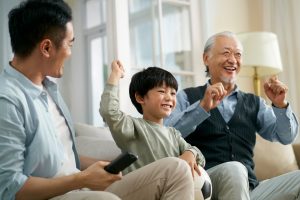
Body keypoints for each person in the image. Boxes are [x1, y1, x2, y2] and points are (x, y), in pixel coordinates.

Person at [0, 0, 195, 200]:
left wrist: (101, 168)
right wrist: (82, 179)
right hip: (52, 194)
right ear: (47, 48)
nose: (70, 52)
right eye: (70, 43)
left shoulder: (50, 90)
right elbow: (10, 188)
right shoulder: (7, 101)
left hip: (79, 187)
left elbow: (64, 159)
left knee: (176, 168)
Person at [164, 31, 300, 200]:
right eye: (226, 53)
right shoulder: (186, 97)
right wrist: (202, 107)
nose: (233, 60)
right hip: (208, 185)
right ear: (206, 58)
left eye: (238, 54)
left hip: (251, 189)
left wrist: (280, 105)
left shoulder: (254, 102)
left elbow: (286, 137)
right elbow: (167, 136)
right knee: (235, 169)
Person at [99, 61, 207, 198]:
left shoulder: (173, 133)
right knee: (176, 166)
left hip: (170, 190)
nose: (169, 97)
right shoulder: (132, 126)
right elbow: (109, 111)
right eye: (162, 91)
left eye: (173, 93)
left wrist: (190, 152)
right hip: (142, 191)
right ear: (140, 97)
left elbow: (201, 159)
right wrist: (115, 75)